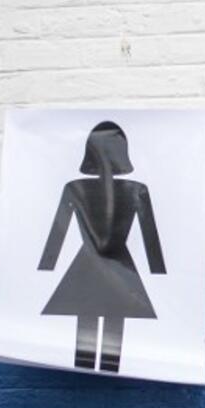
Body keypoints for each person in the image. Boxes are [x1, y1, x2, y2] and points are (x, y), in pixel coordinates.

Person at [38, 121, 167, 374]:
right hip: (119, 264)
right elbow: (149, 233)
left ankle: (88, 369)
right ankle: (105, 370)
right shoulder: (136, 190)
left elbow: (58, 232)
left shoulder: (76, 188)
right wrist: (156, 269)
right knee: (112, 319)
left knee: (88, 315)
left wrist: (48, 264)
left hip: (87, 264)